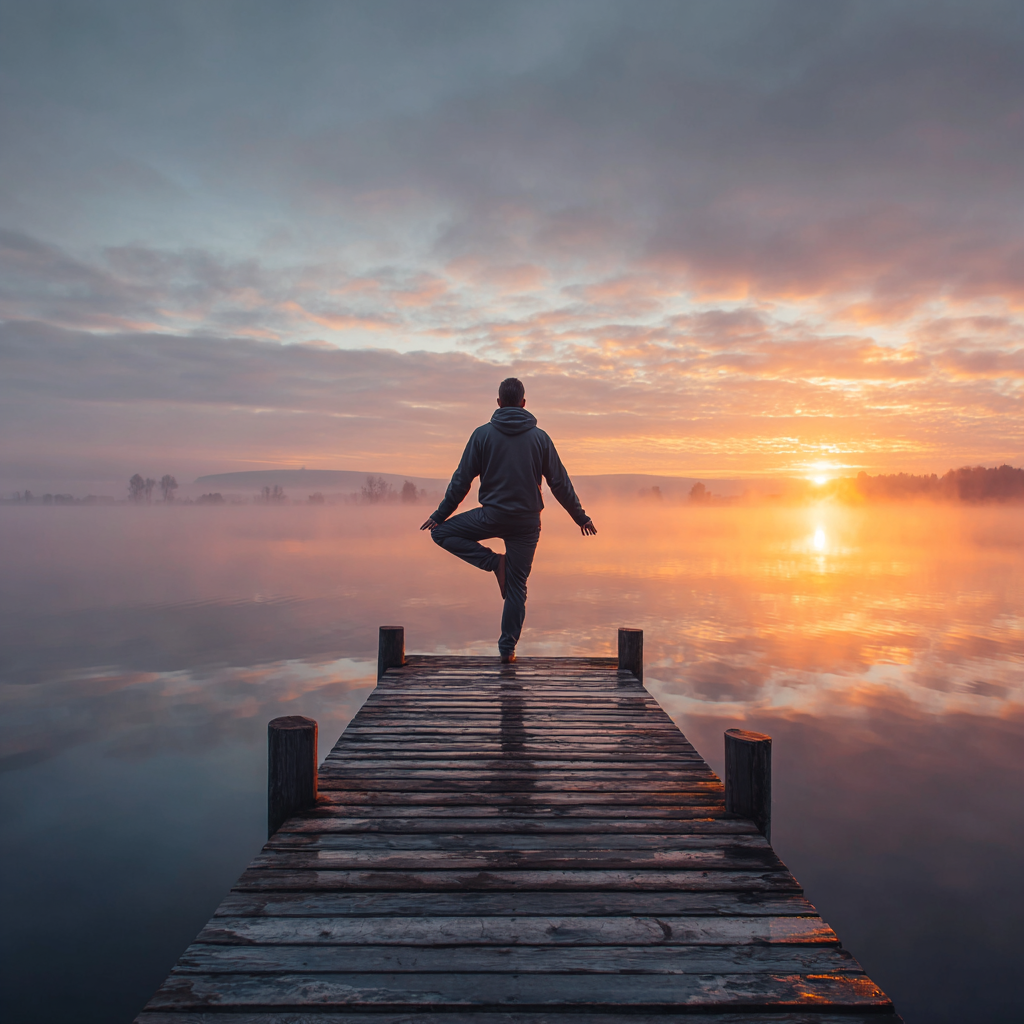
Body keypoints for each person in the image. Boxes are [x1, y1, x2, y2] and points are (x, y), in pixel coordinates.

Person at [421, 377, 597, 663]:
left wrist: (439, 515)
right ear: (524, 403)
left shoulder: (482, 435)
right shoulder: (540, 438)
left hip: (491, 516)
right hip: (527, 524)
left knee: (440, 533)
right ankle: (507, 651)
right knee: (517, 586)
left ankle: (494, 563)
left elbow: (461, 481)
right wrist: (581, 517)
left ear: (499, 403)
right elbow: (560, 484)